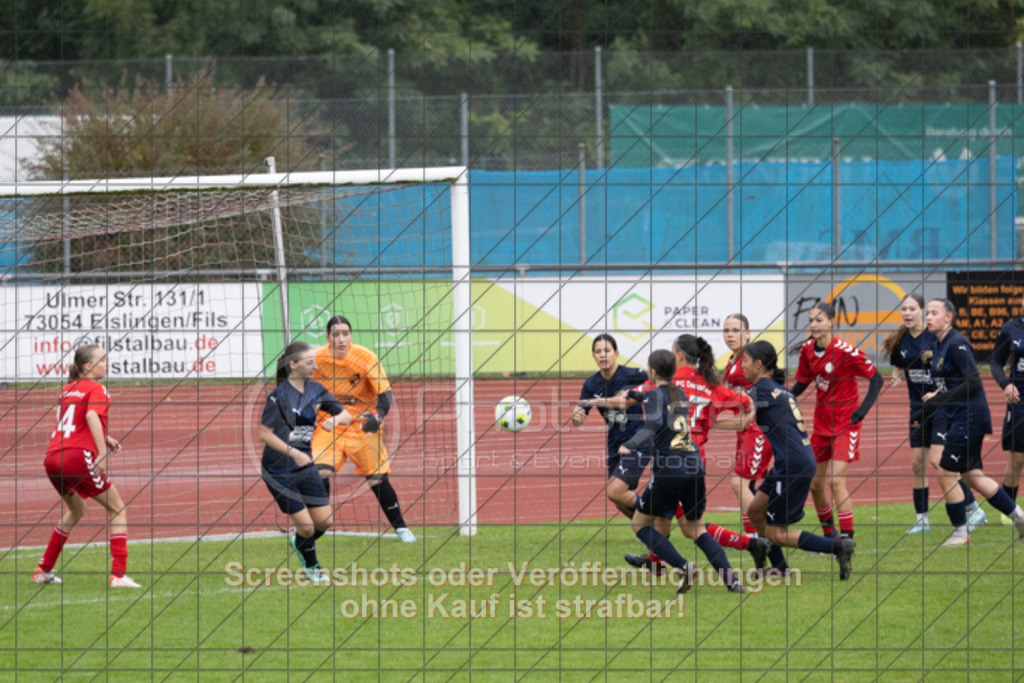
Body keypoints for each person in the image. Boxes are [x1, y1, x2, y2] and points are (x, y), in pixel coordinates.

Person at [625, 334, 771, 572]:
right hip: (696, 459)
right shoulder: (710, 384)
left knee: (690, 527)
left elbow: (630, 397)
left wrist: (597, 402)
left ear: (679, 356)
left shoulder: (666, 380)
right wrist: (728, 422)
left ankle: (751, 544)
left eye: (673, 351)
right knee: (665, 515)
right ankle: (656, 561)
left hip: (672, 457)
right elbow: (745, 402)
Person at [620, 350, 743, 593]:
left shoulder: (656, 394)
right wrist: (635, 394)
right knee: (697, 529)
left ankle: (684, 566)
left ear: (653, 372)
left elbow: (653, 424)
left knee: (640, 524)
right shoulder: (682, 393)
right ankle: (733, 582)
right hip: (694, 465)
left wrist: (630, 445)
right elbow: (653, 398)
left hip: (670, 468)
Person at [742, 341, 857, 579]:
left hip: (792, 465)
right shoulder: (779, 389)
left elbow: (739, 414)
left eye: (745, 360)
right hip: (791, 462)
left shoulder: (760, 390)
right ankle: (778, 568)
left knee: (777, 534)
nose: (743, 365)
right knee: (755, 511)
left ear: (759, 364)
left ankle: (838, 547)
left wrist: (706, 419)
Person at [917, 299, 1024, 546]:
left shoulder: (957, 344)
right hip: (960, 416)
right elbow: (954, 382)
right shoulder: (938, 344)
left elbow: (973, 382)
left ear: (948, 318)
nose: (929, 317)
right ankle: (1018, 516)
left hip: (969, 417)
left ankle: (961, 533)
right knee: (971, 475)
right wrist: (937, 395)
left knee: (945, 468)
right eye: (927, 313)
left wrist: (940, 398)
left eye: (934, 313)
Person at [32, 344, 140, 588]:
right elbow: (91, 416)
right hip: (77, 458)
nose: (107, 364)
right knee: (117, 509)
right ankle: (118, 575)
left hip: (52, 458)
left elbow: (74, 423)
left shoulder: (67, 390)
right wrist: (102, 452)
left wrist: (105, 437)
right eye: (102, 360)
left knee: (77, 509)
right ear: (88, 366)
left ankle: (43, 570)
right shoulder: (97, 389)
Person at [884, 293, 984, 534]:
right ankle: (922, 520)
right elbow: (899, 364)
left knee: (939, 462)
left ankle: (972, 508)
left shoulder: (936, 338)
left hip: (941, 406)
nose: (907, 313)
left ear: (922, 311)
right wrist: (896, 376)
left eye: (912, 309)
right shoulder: (901, 340)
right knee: (918, 464)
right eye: (903, 309)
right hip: (917, 408)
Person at [311, 316, 415, 543]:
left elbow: (385, 395)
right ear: (328, 337)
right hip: (331, 422)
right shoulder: (317, 359)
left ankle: (402, 529)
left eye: (345, 333)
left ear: (351, 335)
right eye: (336, 334)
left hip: (361, 423)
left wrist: (378, 416)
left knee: (377, 478)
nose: (341, 339)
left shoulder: (366, 357)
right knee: (320, 472)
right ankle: (319, 524)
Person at [260, 341, 351, 584]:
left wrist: (337, 420)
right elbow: (265, 434)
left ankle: (298, 542)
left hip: (305, 466)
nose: (315, 365)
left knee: (325, 522)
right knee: (308, 527)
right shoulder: (278, 396)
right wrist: (294, 452)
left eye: (315, 361)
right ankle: (312, 567)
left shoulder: (317, 390)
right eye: (310, 362)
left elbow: (347, 414)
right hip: (278, 470)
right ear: (293, 365)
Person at [792, 301, 883, 542]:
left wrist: (861, 411)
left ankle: (847, 537)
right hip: (822, 425)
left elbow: (877, 378)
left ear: (832, 322)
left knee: (835, 480)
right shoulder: (808, 350)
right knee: (815, 484)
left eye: (819, 320)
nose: (813, 324)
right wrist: (785, 398)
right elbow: (803, 382)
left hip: (846, 424)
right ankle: (829, 534)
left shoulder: (845, 351)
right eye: (811, 320)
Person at [571, 333, 649, 518]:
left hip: (638, 439)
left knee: (616, 491)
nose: (602, 355)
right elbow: (578, 418)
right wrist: (577, 416)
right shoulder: (591, 384)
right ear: (593, 356)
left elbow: (657, 384)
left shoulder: (633, 375)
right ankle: (649, 528)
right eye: (597, 352)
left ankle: (656, 516)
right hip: (615, 442)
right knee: (617, 498)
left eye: (606, 350)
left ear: (616, 353)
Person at [722, 313, 775, 537]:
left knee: (739, 483)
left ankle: (756, 535)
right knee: (749, 485)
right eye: (726, 330)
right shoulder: (733, 360)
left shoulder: (749, 362)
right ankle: (763, 529)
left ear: (747, 334)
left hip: (758, 430)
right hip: (745, 430)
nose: (730, 335)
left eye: (735, 330)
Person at [989, 291, 1024, 523]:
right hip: (1019, 400)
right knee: (1017, 458)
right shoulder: (1010, 329)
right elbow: (995, 362)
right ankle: (1010, 512)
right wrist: (1005, 384)